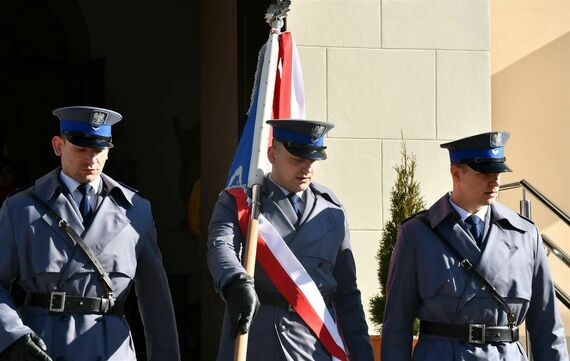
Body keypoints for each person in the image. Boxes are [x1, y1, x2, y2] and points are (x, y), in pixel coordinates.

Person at [0, 106, 180, 361]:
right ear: (58, 146)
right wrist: (12, 336)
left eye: (99, 150)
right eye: (81, 149)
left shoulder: (136, 210)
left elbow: (156, 301)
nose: (91, 159)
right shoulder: (21, 208)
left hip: (109, 349)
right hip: (45, 347)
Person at [381, 131, 569, 361]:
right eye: (484, 172)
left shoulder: (525, 235)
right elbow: (397, 326)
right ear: (456, 173)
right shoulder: (417, 234)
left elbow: (547, 328)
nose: (495, 180)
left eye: (498, 171)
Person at [207, 119, 374, 361]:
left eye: (312, 160)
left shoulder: (332, 211)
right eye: (297, 159)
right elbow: (220, 246)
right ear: (272, 154)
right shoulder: (242, 204)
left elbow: (347, 294)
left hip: (313, 344)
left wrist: (362, 354)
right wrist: (235, 282)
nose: (306, 168)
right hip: (257, 338)